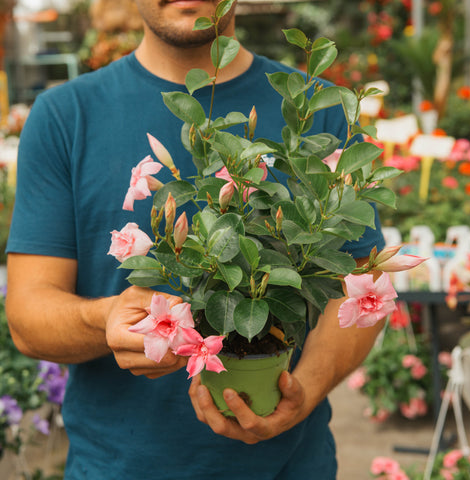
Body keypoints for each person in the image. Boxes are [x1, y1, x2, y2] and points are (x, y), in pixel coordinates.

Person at [6, 1, 386, 478]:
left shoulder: (320, 109)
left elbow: (361, 278)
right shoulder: (65, 115)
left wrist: (303, 390)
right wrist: (105, 319)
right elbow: (27, 316)